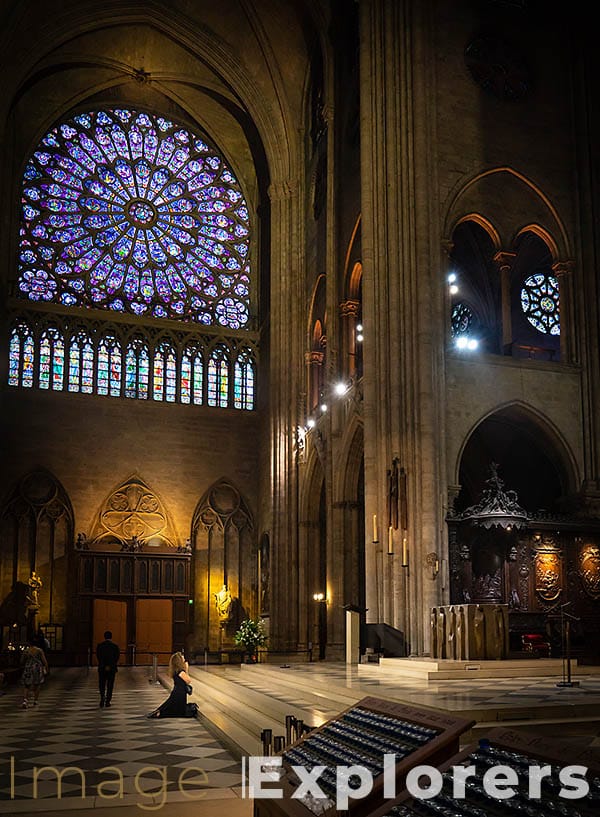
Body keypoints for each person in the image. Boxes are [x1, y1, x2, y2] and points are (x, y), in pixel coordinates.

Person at [147, 652, 198, 719]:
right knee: (178, 710)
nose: (184, 658)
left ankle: (159, 712)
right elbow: (188, 681)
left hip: (176, 692)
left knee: (170, 705)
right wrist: (186, 669)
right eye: (182, 657)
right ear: (179, 661)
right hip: (180, 694)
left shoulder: (175, 671)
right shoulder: (181, 672)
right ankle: (160, 713)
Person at [20, 641, 48, 708]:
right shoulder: (39, 650)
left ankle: (25, 700)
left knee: (26, 685)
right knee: (37, 684)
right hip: (37, 668)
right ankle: (35, 700)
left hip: (28, 668)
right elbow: (44, 660)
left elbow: (21, 661)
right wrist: (46, 668)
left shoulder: (26, 651)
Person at [96, 630, 120, 708]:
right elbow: (117, 657)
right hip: (111, 668)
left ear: (104, 636)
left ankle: (102, 697)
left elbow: (98, 656)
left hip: (102, 667)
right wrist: (111, 664)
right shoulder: (115, 646)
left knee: (102, 684)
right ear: (111, 637)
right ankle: (108, 701)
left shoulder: (100, 646)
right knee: (110, 685)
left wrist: (103, 664)